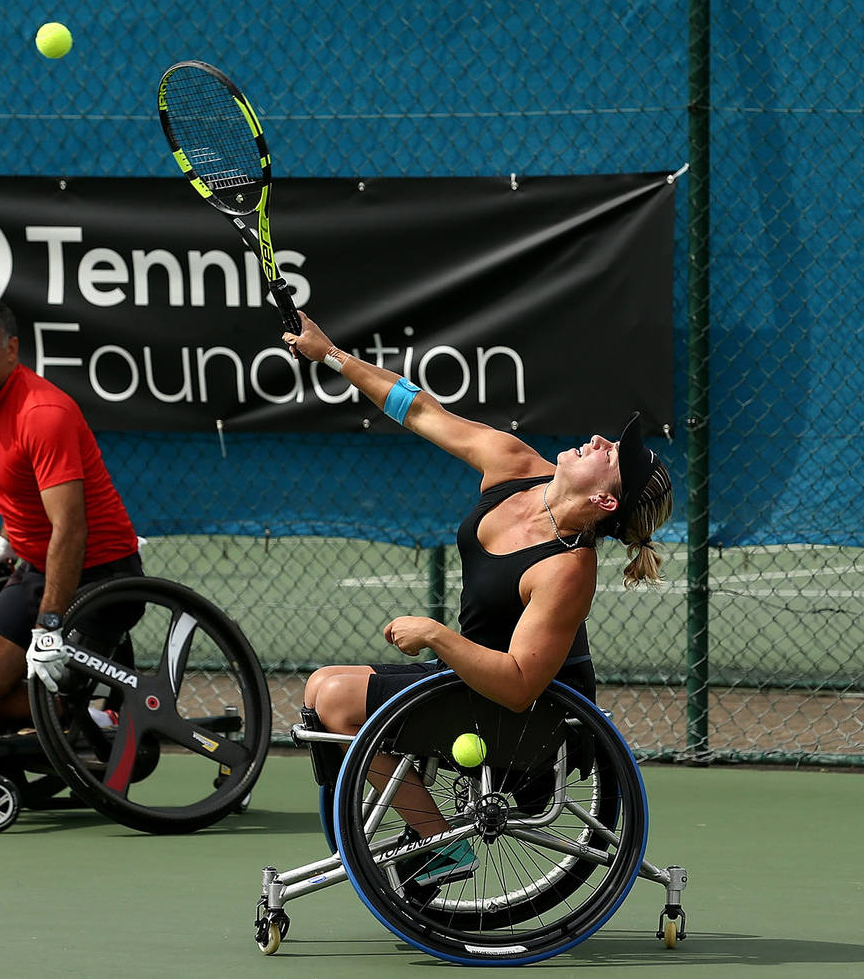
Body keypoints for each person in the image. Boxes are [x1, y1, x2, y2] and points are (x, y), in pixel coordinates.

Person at [282, 311, 673, 885]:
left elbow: (519, 685)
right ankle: (422, 831)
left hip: (522, 717)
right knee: (320, 688)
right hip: (466, 687)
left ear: (607, 503)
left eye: (610, 455)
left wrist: (438, 634)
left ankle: (439, 842)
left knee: (337, 700)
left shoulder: (567, 569)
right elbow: (420, 410)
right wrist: (331, 355)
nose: (598, 441)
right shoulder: (515, 465)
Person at [0, 295, 142, 740]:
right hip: (35, 569)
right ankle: (72, 721)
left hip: (99, 579)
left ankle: (83, 719)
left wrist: (48, 629)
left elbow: (70, 529)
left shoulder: (43, 414)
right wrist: (7, 542)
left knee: (40, 693)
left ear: (10, 350)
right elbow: (19, 487)